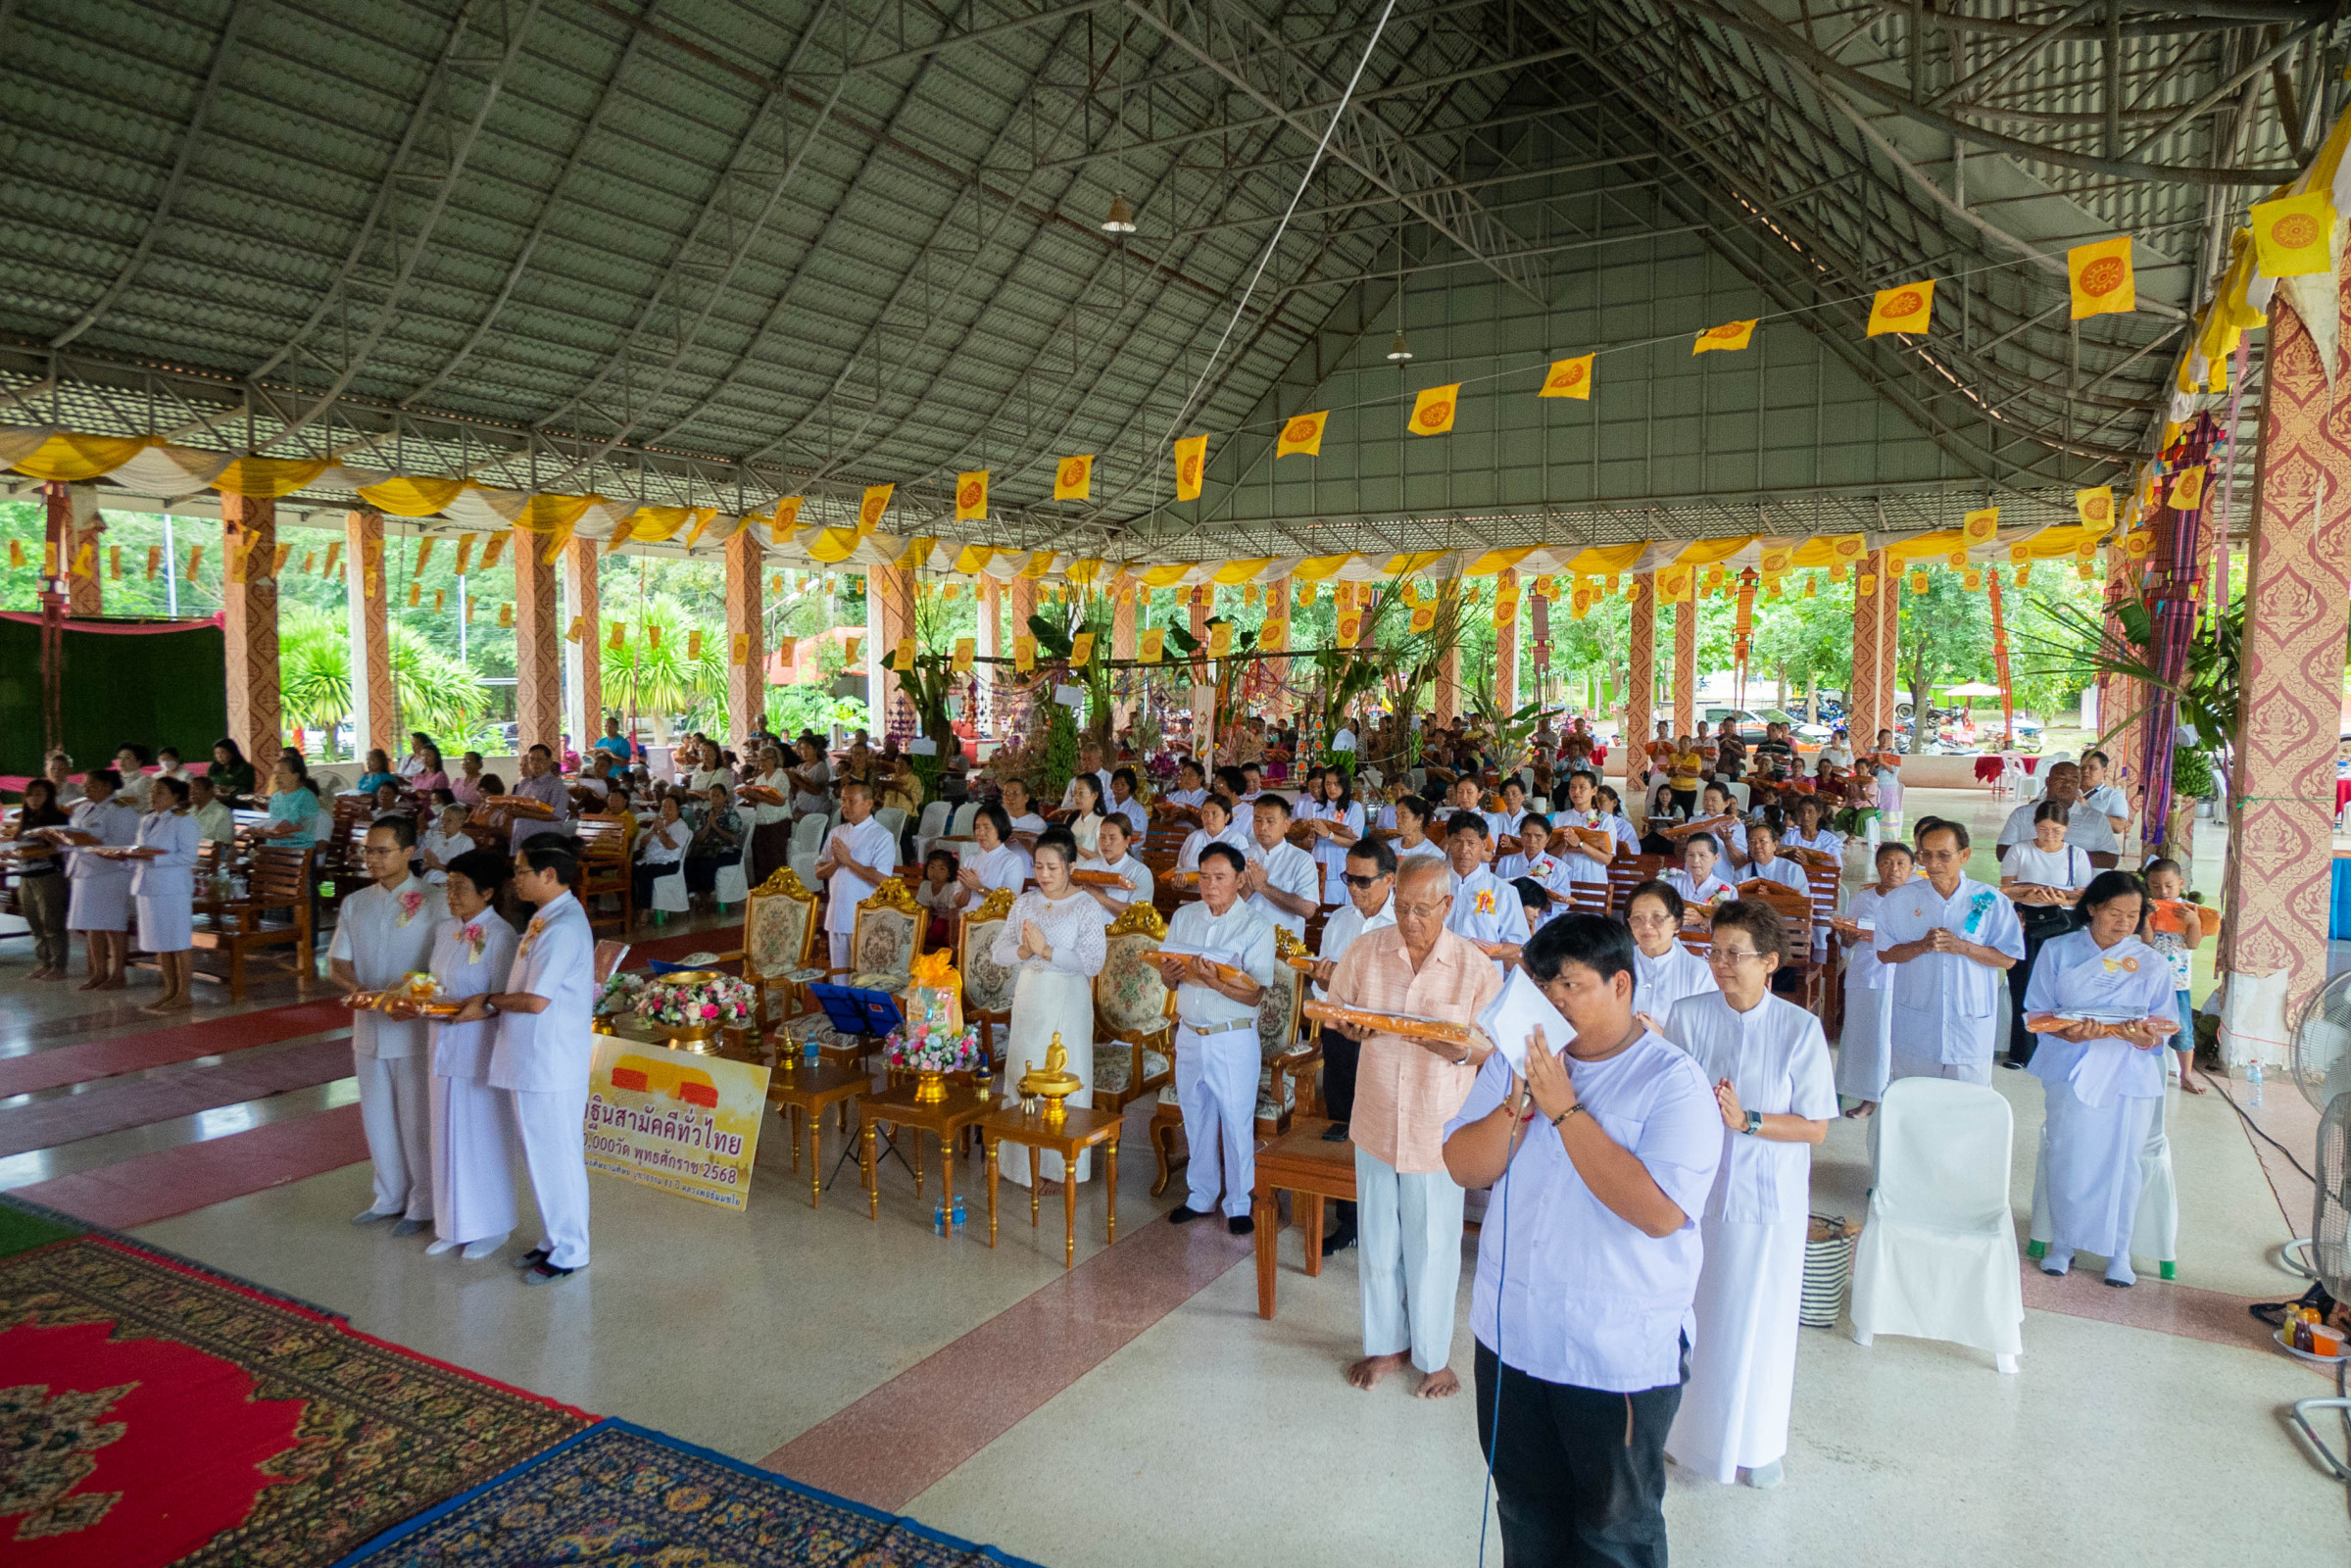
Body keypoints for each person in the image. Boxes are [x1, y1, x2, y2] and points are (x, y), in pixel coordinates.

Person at [1442, 913, 1721, 1568]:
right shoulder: (1520, 1063)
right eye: (1543, 988)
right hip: (1513, 1336)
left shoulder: (1670, 1081)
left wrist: (1563, 1108)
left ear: (1620, 985)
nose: (1554, 1004)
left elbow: (1657, 1213)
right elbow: (1462, 1165)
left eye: (1571, 986)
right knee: (1524, 1508)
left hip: (1612, 1352)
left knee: (1611, 1527)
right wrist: (1516, 1100)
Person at [1655, 901, 1834, 1488]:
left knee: (1761, 1322)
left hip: (1766, 1202)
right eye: (1715, 951)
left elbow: (1814, 1126)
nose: (1722, 964)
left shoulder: (1799, 1029)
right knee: (1698, 1315)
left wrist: (1748, 1120)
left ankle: (1755, 1444)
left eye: (1737, 955)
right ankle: (1687, 1438)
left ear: (1771, 963)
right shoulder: (1688, 1014)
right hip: (1699, 1190)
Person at [1326, 856, 1499, 1397]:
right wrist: (1349, 1028)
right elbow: (1336, 1010)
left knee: (1433, 1245)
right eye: (1401, 907)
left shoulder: (1474, 967)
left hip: (1438, 1126)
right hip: (1376, 1115)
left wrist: (1459, 1049)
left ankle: (1433, 1357)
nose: (1408, 920)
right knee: (1377, 1240)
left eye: (1421, 910)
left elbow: (1492, 1048)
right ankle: (1384, 1347)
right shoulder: (1367, 951)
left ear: (1448, 905)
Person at [2023, 870, 2180, 1286]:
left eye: (2133, 915)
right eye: (2114, 912)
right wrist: (2068, 1031)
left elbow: (2166, 1022)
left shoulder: (2151, 962)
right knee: (2069, 1154)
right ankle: (2063, 1244)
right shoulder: (2057, 951)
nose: (2124, 923)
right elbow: (2036, 1011)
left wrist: (2145, 1038)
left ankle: (2119, 1252)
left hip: (2130, 1073)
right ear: (2092, 908)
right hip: (2071, 1065)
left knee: (2123, 1161)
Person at [457, 834, 596, 1285]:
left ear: (548, 875)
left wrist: (489, 999)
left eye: (521, 871)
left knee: (556, 1156)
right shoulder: (545, 918)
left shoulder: (563, 927)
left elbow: (536, 1000)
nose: (514, 879)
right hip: (533, 1058)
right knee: (540, 1154)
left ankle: (571, 1249)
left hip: (550, 1062)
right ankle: (555, 1237)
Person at [405, 849, 520, 1261]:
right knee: (445, 1131)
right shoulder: (444, 930)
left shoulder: (503, 936)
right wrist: (418, 995)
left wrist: (479, 1006)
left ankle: (491, 1226)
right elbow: (437, 981)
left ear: (487, 892)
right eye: (448, 887)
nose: (451, 896)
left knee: (481, 1135)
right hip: (442, 1040)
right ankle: (453, 1223)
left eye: (460, 888)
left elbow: (504, 996)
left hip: (478, 1045)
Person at [331, 816, 446, 1233]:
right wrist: (360, 990)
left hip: (411, 1027)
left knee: (416, 1120)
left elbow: (442, 966)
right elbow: (338, 960)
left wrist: (405, 995)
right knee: (376, 1116)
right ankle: (389, 1195)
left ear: (408, 852)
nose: (372, 859)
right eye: (367, 851)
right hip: (368, 1025)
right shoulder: (355, 902)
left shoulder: (436, 902)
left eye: (382, 851)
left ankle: (423, 1202)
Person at [1155, 845, 1276, 1234]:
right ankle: (1201, 1194)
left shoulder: (1255, 927)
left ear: (1240, 880)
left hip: (1233, 1037)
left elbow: (1256, 993)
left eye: (1220, 877)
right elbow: (1166, 978)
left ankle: (1240, 1202)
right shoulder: (1184, 916)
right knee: (1197, 1116)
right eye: (1203, 876)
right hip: (1190, 1032)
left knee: (1236, 1121)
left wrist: (1213, 980)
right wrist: (1171, 974)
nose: (1209, 885)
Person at [992, 829, 1112, 1188]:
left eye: (1052, 868)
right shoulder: (1025, 903)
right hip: (1030, 994)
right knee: (1022, 1075)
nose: (1043, 875)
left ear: (1071, 867)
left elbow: (1092, 962)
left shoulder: (1086, 906)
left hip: (1067, 998)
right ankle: (1019, 1166)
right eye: (1038, 866)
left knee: (1064, 1078)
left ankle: (1061, 1168)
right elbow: (999, 951)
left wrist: (1046, 951)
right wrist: (1024, 952)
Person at [1876, 819, 2023, 1085]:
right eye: (1925, 855)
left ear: (1964, 855)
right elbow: (1885, 954)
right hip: (1916, 1027)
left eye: (1943, 855)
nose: (1932, 864)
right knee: (1914, 1103)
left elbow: (2008, 958)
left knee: (1968, 1109)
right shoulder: (1900, 900)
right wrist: (1921, 946)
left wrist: (1963, 947)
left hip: (1970, 1029)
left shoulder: (1990, 900)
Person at [1307, 838, 1398, 1252]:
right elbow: (1322, 984)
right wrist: (1326, 982)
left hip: (1385, 1042)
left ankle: (1389, 1220)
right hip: (1341, 1036)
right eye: (1348, 878)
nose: (1353, 888)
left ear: (1389, 880)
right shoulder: (1340, 920)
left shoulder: (1405, 924)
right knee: (1344, 1124)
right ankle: (1349, 1218)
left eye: (1363, 881)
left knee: (1385, 1128)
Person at [1998, 799, 2098, 1068]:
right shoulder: (2020, 851)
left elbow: (2083, 895)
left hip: (2062, 922)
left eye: (2056, 830)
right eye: (2043, 829)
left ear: (2066, 828)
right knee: (2023, 986)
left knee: (2060, 987)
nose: (2049, 835)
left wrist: (2058, 897)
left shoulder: (2075, 855)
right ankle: (2021, 1053)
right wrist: (2030, 894)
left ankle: (2059, 1048)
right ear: (2034, 826)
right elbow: (2005, 889)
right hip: (2026, 921)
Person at [1832, 841, 1913, 1114]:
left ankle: (1886, 1097)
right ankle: (1861, 1093)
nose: (1894, 869)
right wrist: (1847, 936)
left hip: (1901, 979)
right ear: (1877, 866)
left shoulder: (1915, 901)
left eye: (1901, 863)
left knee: (1889, 1038)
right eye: (1887, 862)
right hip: (1865, 975)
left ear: (1912, 868)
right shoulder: (1863, 898)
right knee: (1862, 1036)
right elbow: (1845, 941)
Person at [123, 776, 201, 1013]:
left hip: (172, 889)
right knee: (161, 942)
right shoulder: (147, 820)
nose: (153, 796)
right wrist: (125, 857)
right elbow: (139, 849)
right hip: (148, 886)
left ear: (176, 796)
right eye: (152, 792)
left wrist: (154, 858)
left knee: (178, 941)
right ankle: (169, 991)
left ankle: (184, 994)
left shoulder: (183, 821)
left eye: (160, 792)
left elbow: (189, 856)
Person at [64, 767, 139, 991]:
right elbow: (70, 837)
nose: (86, 789)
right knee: (92, 926)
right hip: (84, 873)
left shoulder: (121, 811)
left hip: (110, 874)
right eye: (85, 785)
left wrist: (87, 841)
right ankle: (98, 972)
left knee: (113, 926)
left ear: (108, 787)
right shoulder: (83, 808)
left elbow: (122, 845)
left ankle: (118, 974)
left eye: (92, 785)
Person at [815, 782, 897, 971]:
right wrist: (836, 862)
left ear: (868, 803)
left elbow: (883, 880)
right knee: (839, 975)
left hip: (865, 918)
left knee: (863, 977)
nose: (845, 806)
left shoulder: (882, 836)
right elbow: (819, 872)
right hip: (837, 915)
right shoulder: (837, 832)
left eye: (852, 801)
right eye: (843, 800)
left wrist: (849, 861)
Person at [2142, 857, 2206, 1094]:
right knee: (2148, 1025)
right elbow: (2147, 940)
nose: (2163, 891)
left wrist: (2194, 923)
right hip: (2151, 981)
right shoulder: (2149, 907)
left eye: (2169, 885)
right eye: (2156, 886)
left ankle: (2186, 1074)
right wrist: (2146, 917)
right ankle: (2147, 1068)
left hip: (2179, 983)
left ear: (2180, 883)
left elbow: (2193, 944)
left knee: (2184, 1029)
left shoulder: (2189, 910)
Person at [1442, 810, 1530, 972]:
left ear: (1483, 845)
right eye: (1457, 842)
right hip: (1439, 970)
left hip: (1482, 973)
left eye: (1471, 843)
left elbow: (1516, 945)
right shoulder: (1434, 885)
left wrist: (1480, 950)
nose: (1464, 849)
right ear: (1448, 842)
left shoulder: (1503, 891)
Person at [1626, 879, 1715, 1024]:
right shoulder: (1615, 963)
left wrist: (1660, 1036)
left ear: (1677, 924)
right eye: (1637, 918)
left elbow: (1704, 1036)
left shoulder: (1700, 974)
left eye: (1658, 918)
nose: (1647, 926)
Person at [11, 777, 73, 980]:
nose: (33, 799)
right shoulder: (26, 820)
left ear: (49, 797)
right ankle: (44, 962)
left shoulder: (57, 818)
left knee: (52, 921)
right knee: (35, 922)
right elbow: (18, 846)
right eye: (30, 794)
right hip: (26, 876)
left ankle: (59, 965)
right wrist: (10, 853)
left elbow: (62, 846)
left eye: (39, 794)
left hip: (48, 875)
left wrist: (38, 852)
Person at [1299, 768, 1365, 906]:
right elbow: (1310, 842)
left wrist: (1329, 835)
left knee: (1337, 908)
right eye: (1328, 784)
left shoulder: (1354, 808)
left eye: (1336, 784)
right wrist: (1310, 837)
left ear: (1344, 785)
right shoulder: (1316, 807)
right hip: (1319, 861)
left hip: (1341, 865)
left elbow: (1355, 842)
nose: (1331, 788)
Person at [1076, 811, 1153, 916]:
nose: (1106, 843)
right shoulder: (1087, 867)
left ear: (1127, 840)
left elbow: (1135, 913)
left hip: (1125, 932)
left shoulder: (1140, 872)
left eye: (1112, 838)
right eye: (1102, 837)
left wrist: (1098, 895)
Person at [955, 804, 1033, 906]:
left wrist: (979, 888)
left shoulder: (1012, 861)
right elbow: (959, 903)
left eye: (986, 827)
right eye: (977, 827)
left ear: (1000, 828)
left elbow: (1009, 903)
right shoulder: (970, 859)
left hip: (997, 921)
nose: (981, 833)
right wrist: (966, 888)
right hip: (968, 919)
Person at [684, 781, 744, 899]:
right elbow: (697, 839)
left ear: (725, 797)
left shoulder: (731, 814)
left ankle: (706, 894)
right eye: (712, 796)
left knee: (707, 863)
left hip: (727, 850)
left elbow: (733, 840)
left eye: (718, 796)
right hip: (707, 848)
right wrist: (707, 827)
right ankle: (697, 893)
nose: (715, 799)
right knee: (689, 861)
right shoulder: (706, 815)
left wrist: (716, 826)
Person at [631, 794, 690, 911]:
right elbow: (642, 844)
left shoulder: (680, 826)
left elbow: (670, 845)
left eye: (670, 807)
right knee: (631, 869)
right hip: (650, 859)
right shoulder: (659, 823)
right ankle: (633, 907)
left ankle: (645, 910)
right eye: (664, 807)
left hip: (669, 863)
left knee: (646, 873)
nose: (666, 810)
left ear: (678, 809)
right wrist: (653, 831)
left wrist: (661, 830)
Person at [508, 745, 572, 850]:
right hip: (521, 838)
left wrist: (524, 813)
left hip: (543, 841)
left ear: (549, 762)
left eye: (539, 759)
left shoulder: (556, 785)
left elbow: (557, 815)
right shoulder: (524, 783)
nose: (535, 763)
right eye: (531, 759)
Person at [1664, 833, 1735, 921]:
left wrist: (1702, 921)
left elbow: (1730, 926)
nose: (1695, 861)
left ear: (1715, 858)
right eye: (1690, 855)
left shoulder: (1729, 890)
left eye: (1702, 855)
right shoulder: (1671, 884)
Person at [916, 849, 960, 949]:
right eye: (931, 867)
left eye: (941, 869)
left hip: (955, 922)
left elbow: (954, 917)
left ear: (949, 873)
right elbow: (924, 914)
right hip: (938, 920)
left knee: (940, 929)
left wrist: (953, 944)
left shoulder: (952, 888)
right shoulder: (925, 885)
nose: (935, 872)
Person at [1391, 793, 1446, 867]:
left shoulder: (1433, 855)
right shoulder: (1389, 847)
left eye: (1404, 816)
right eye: (1397, 815)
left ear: (1420, 818)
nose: (1398, 821)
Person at [1059, 741, 1115, 813]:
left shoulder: (1111, 780)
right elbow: (1065, 806)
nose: (1086, 763)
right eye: (1083, 759)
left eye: (1089, 759)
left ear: (1100, 760)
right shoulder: (1074, 782)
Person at [1064, 771, 1109, 858]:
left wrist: (1076, 847)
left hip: (1092, 871)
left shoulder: (1102, 822)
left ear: (1095, 795)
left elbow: (1104, 858)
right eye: (1075, 792)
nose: (1076, 797)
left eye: (1081, 792)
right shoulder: (1070, 818)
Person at [186, 772, 235, 844]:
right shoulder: (189, 812)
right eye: (190, 789)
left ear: (209, 791)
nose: (192, 792)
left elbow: (224, 844)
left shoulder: (223, 813)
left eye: (196, 788)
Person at [209, 738, 258, 804]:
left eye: (222, 753)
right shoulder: (213, 768)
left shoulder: (245, 768)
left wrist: (227, 790)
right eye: (217, 753)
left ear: (232, 752)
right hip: (217, 803)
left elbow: (245, 789)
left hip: (239, 803)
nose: (219, 756)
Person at [111, 743, 155, 811]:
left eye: (127, 758)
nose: (122, 761)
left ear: (139, 762)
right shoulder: (113, 778)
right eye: (120, 758)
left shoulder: (145, 780)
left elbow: (145, 803)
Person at [1106, 767, 1150, 837]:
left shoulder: (1138, 810)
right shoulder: (1105, 804)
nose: (1118, 788)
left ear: (1131, 787)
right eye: (1116, 784)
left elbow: (1139, 837)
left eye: (1123, 785)